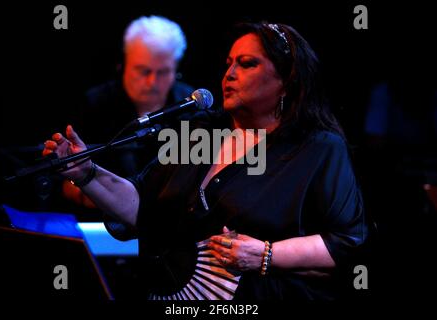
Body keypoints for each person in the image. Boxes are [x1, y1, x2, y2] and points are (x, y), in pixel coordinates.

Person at [43, 22, 369, 300]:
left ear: (286, 81)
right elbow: (142, 206)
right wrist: (86, 173)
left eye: (247, 64)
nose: (229, 74)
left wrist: (266, 255)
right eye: (229, 63)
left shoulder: (317, 148)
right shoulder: (203, 131)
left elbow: (346, 241)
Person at [62, 15, 194, 209]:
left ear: (176, 69)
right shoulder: (95, 104)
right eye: (143, 71)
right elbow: (67, 183)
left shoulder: (191, 108)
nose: (152, 82)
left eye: (163, 72)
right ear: (123, 65)